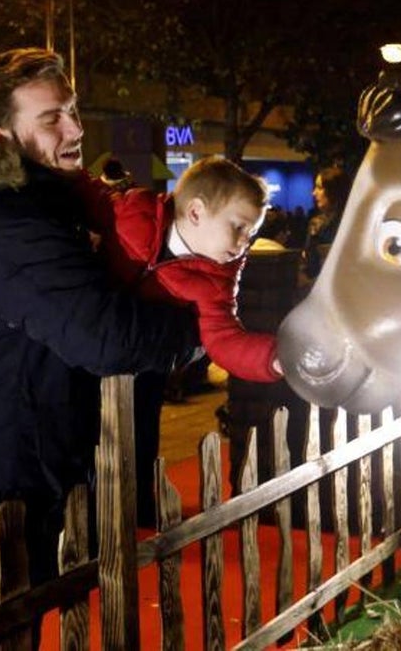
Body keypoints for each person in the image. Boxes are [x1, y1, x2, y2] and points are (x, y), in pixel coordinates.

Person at [0, 47, 200, 618]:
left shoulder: (36, 205)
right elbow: (104, 336)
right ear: (0, 138)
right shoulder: (0, 220)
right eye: (51, 118)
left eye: (73, 109)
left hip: (12, 456)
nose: (75, 128)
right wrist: (202, 327)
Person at [75, 154, 282, 523]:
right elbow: (88, 197)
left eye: (251, 233)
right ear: (197, 212)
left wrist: (275, 358)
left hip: (145, 364)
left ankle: (134, 508)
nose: (244, 243)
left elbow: (225, 338)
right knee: (81, 434)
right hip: (90, 345)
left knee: (139, 437)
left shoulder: (217, 278)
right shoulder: (134, 212)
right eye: (238, 227)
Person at [302, 166, 353, 282]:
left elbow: (312, 266)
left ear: (333, 190)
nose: (314, 193)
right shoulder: (355, 220)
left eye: (319, 187)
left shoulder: (317, 224)